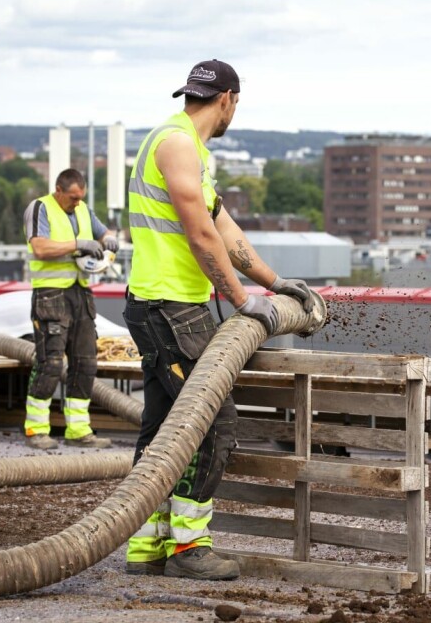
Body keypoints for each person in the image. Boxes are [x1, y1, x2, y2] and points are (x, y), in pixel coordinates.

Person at [124, 59, 316, 580]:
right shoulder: (178, 144)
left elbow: (221, 225)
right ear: (229, 99)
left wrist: (275, 283)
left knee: (165, 425)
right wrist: (240, 300)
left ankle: (146, 544)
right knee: (212, 421)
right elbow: (200, 234)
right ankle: (188, 547)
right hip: (170, 308)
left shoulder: (187, 147)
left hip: (163, 303)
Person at [22, 168, 119, 450]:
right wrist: (78, 244)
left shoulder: (84, 210)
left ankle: (78, 430)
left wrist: (108, 240)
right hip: (50, 295)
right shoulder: (40, 208)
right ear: (59, 190)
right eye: (73, 198)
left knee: (85, 363)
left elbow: (103, 233)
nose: (77, 203)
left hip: (80, 293)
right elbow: (40, 247)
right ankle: (36, 429)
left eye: (81, 198)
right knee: (50, 363)